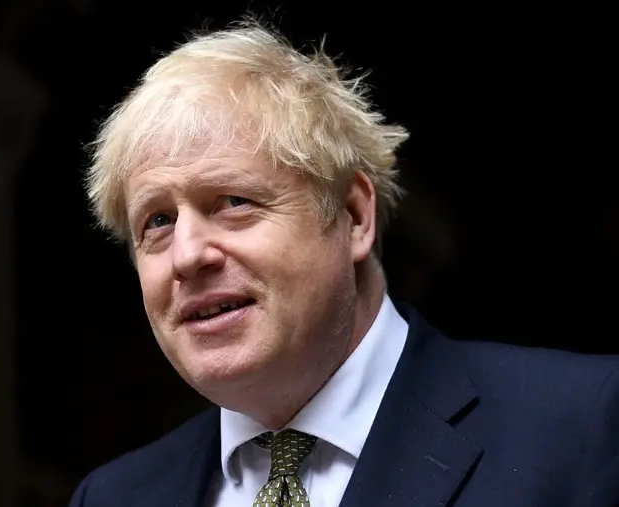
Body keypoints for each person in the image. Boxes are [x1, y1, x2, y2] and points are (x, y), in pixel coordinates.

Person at [68, 19, 619, 507]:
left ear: (354, 216)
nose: (187, 255)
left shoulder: (582, 426)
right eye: (157, 223)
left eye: (234, 203)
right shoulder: (113, 496)